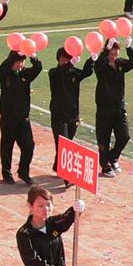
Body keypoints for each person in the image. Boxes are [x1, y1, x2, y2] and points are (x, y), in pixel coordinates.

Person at [94, 37, 133, 178]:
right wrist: (106, 49)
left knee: (124, 136)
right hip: (104, 109)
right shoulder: (102, 65)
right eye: (112, 49)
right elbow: (97, 64)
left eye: (116, 50)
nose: (114, 52)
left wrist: (129, 48)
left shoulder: (120, 64)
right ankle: (105, 165)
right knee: (104, 138)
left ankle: (112, 157)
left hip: (119, 108)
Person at [48, 47, 94, 177]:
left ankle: (57, 165)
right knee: (63, 144)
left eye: (67, 58)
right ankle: (66, 176)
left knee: (68, 141)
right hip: (59, 115)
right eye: (63, 59)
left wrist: (91, 59)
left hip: (73, 115)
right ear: (58, 59)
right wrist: (70, 64)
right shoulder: (54, 72)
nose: (65, 61)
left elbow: (86, 72)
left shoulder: (73, 72)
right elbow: (61, 73)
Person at [0, 49, 42, 185]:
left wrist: (33, 57)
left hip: (23, 118)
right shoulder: (5, 74)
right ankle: (6, 172)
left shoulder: (25, 74)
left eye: (22, 62)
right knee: (7, 146)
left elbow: (37, 68)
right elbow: (4, 65)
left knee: (29, 145)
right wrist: (18, 51)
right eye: (18, 62)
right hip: (8, 118)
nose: (21, 64)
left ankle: (23, 171)